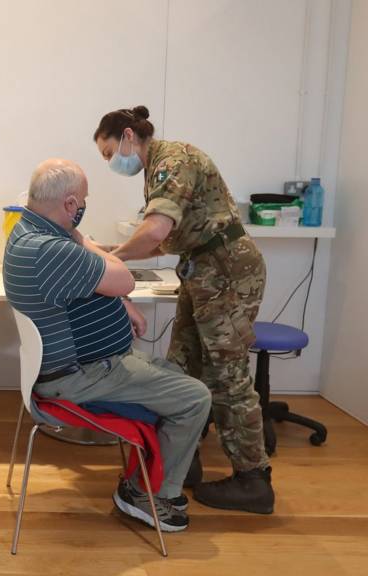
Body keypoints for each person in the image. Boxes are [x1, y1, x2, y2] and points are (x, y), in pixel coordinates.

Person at [3, 158, 211, 532]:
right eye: (82, 200)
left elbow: (106, 285)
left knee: (174, 375)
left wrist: (119, 302)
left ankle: (153, 477)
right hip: (80, 378)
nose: (84, 207)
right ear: (69, 205)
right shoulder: (52, 249)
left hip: (81, 366)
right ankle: (145, 495)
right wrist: (82, 240)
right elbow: (124, 279)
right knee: (196, 397)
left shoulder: (26, 233)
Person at [93, 106, 273, 514]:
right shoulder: (156, 167)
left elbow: (155, 231)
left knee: (226, 376)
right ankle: (182, 461)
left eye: (108, 153)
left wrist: (113, 262)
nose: (110, 163)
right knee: (182, 367)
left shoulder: (172, 161)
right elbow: (162, 241)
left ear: (127, 136)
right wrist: (110, 253)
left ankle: (253, 480)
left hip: (227, 271)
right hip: (201, 270)